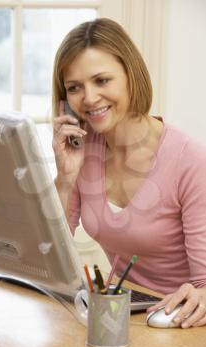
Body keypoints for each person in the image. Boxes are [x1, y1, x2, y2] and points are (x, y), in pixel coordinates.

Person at [52, 17, 206, 328]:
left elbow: (205, 285)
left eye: (102, 80)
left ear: (130, 75)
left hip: (180, 323)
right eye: (75, 88)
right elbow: (50, 254)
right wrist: (65, 177)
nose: (90, 98)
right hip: (121, 316)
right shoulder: (81, 150)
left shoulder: (189, 159)